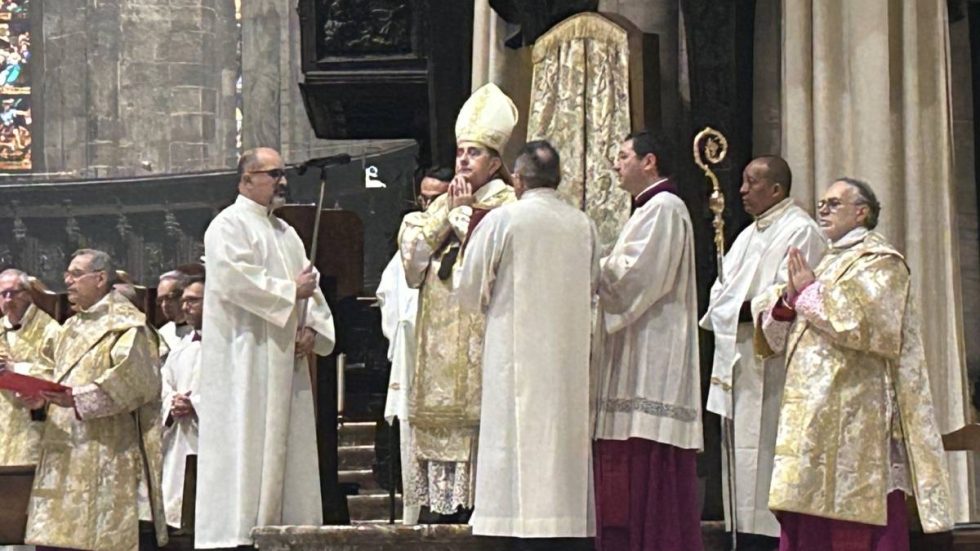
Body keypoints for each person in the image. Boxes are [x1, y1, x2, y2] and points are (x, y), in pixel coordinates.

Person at [758, 178, 953, 550]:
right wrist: (786, 301)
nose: (823, 209)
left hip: (856, 419)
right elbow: (779, 333)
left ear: (861, 212)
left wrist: (809, 292)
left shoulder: (881, 262)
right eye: (821, 203)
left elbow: (865, 325)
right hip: (812, 417)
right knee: (808, 524)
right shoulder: (826, 261)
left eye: (834, 203)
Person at [457, 140, 597, 549]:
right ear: (559, 179)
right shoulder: (582, 224)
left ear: (517, 179)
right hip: (568, 362)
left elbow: (469, 288)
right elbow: (593, 285)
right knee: (560, 446)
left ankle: (516, 529)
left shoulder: (504, 220)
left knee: (515, 448)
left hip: (513, 356)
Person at [195, 147, 336, 548]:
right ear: (246, 180)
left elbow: (311, 286)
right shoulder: (227, 226)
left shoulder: (286, 233)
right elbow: (234, 281)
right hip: (246, 357)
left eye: (283, 173)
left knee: (289, 446)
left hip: (285, 357)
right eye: (273, 174)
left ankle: (290, 527)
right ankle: (239, 531)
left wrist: (310, 328)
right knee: (248, 438)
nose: (282, 181)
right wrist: (289, 291)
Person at [399, 83, 518, 519]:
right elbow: (411, 261)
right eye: (461, 152)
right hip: (437, 348)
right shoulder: (442, 204)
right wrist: (447, 216)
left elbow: (499, 261)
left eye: (475, 153)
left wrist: (463, 216)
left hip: (481, 341)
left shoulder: (509, 205)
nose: (464, 160)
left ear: (496, 162)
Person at [699, 156, 826, 547]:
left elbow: (787, 296)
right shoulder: (747, 234)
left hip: (774, 363)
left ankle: (771, 538)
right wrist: (728, 308)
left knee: (769, 450)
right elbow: (720, 290)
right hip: (740, 359)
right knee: (741, 456)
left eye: (751, 182)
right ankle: (741, 534)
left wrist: (741, 309)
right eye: (742, 180)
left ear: (776, 189)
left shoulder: (800, 230)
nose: (741, 190)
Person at [593, 130, 703, 551]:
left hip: (654, 351)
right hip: (638, 344)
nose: (616, 164)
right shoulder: (648, 209)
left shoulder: (665, 208)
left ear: (649, 161)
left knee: (648, 459)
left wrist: (589, 269)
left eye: (623, 156)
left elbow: (635, 277)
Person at [21, 249, 167, 551]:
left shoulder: (128, 327)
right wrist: (39, 396)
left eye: (76, 274)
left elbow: (134, 382)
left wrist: (76, 398)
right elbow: (52, 371)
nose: (68, 281)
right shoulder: (71, 327)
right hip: (65, 451)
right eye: (67, 275)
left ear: (100, 278)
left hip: (106, 452)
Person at [378, 166, 452, 526]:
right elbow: (389, 294)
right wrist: (405, 331)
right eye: (423, 198)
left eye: (435, 199)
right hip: (415, 358)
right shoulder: (410, 238)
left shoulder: (465, 237)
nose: (427, 206)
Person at [0, 268, 59, 467]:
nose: (8, 300)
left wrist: (16, 369)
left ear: (27, 294)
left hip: (33, 426)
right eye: (2, 294)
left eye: (13, 293)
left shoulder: (51, 331)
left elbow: (62, 375)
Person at [160, 275, 204, 530]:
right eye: (184, 301)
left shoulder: (232, 345)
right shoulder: (181, 347)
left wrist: (195, 404)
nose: (185, 307)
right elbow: (163, 383)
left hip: (208, 437)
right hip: (179, 436)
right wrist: (171, 401)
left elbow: (237, 390)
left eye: (193, 301)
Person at [156, 270, 192, 351]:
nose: (164, 305)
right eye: (160, 300)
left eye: (169, 297)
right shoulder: (162, 334)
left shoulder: (202, 331)